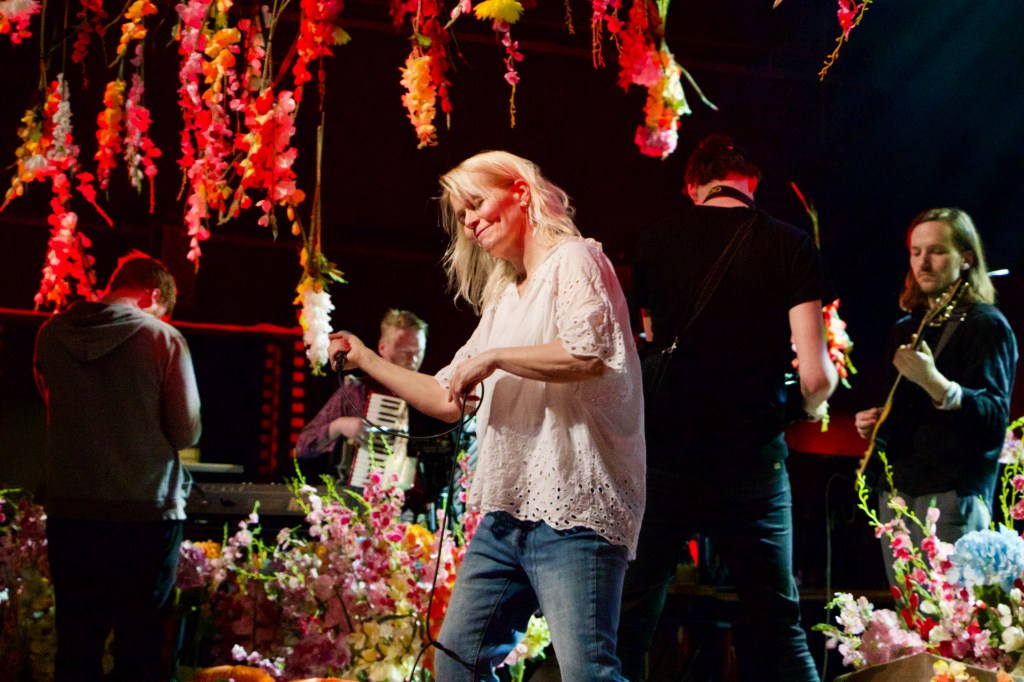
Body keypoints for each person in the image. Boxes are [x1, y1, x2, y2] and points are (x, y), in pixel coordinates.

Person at [327, 150, 645, 681]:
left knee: (588, 672)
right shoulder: (504, 297)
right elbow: (447, 395)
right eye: (462, 215)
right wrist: (365, 359)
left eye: (476, 204)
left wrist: (495, 358)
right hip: (507, 513)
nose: (470, 222)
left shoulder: (575, 260)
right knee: (457, 664)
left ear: (519, 191)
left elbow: (588, 353)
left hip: (575, 511)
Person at [617, 134, 837, 682]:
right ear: (750, 184)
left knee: (630, 621)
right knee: (777, 626)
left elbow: (648, 345)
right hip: (751, 462)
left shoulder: (655, 241)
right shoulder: (790, 244)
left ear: (693, 186)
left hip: (666, 457)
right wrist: (803, 404)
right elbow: (816, 377)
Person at [34, 252, 202, 682]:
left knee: (76, 647)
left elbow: (52, 404)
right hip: (145, 514)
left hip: (72, 513)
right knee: (141, 650)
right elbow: (186, 431)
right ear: (153, 295)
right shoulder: (162, 338)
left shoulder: (51, 335)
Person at [854, 207, 1017, 586]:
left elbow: (995, 418)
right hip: (899, 492)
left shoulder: (986, 325)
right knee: (910, 615)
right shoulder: (907, 328)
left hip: (951, 492)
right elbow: (907, 409)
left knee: (953, 617)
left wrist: (939, 386)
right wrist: (878, 419)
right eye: (916, 252)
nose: (923, 263)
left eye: (937, 251)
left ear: (966, 258)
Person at [295, 308, 428, 470]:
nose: (413, 359)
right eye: (404, 351)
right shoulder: (357, 390)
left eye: (418, 351)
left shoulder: (430, 392)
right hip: (364, 482)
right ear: (382, 348)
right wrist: (339, 426)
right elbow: (303, 445)